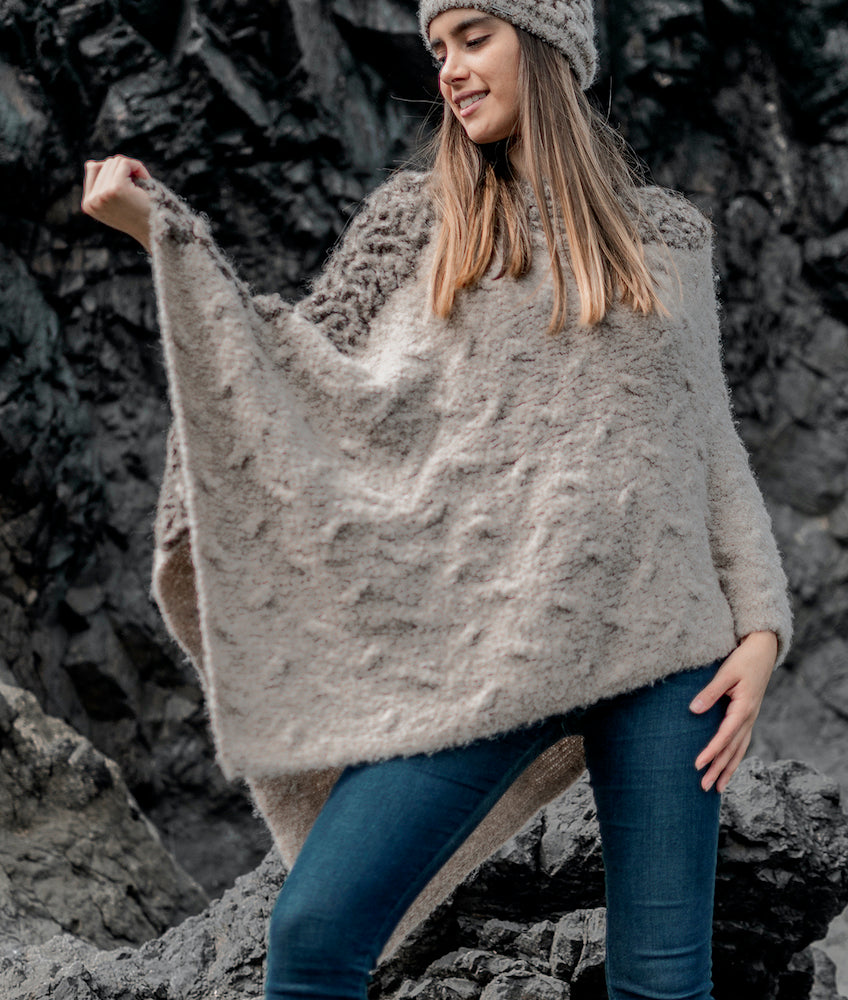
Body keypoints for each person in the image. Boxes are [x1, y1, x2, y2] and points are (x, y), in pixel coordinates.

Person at [82, 2, 793, 998]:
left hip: (672, 657)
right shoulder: (415, 222)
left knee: (663, 985)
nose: (450, 69)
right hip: (491, 655)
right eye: (438, 48)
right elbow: (298, 375)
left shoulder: (668, 237)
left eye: (473, 37)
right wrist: (165, 236)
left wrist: (761, 632)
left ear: (546, 43)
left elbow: (710, 447)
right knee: (315, 931)